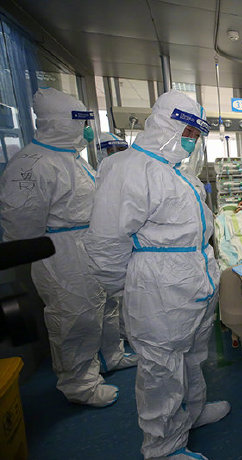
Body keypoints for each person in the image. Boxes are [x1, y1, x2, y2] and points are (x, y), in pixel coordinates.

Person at [84, 90, 229, 460]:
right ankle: (163, 447)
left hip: (193, 285)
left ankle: (192, 412)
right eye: (188, 132)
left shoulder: (177, 172)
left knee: (192, 356)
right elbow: (106, 243)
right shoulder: (129, 169)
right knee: (161, 370)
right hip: (158, 290)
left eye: (196, 135)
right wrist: (129, 288)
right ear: (166, 124)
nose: (191, 140)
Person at [0, 87, 116, 407]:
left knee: (99, 309)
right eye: (81, 121)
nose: (87, 129)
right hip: (60, 253)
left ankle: (109, 358)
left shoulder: (71, 158)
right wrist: (63, 242)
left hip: (85, 246)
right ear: (61, 122)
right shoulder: (32, 164)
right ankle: (79, 386)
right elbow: (22, 229)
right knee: (73, 319)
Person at [94, 133, 138, 373]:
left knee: (113, 305)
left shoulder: (122, 174)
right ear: (101, 151)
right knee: (89, 312)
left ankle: (115, 353)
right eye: (114, 150)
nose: (119, 154)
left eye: (123, 149)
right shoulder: (99, 175)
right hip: (86, 247)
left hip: (116, 245)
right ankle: (82, 378)